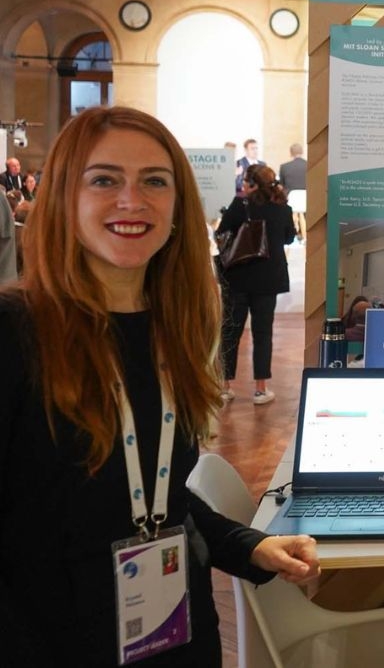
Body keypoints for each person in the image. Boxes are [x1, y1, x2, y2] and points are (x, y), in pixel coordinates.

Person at [0, 106, 319, 666]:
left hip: (178, 639)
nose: (132, 200)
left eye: (154, 181)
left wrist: (251, 545)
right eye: (104, 180)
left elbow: (157, 501)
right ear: (64, 199)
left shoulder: (175, 327)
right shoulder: (15, 330)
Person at [216, 163, 294, 405]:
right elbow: (289, 237)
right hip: (268, 280)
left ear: (250, 184)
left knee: (230, 332)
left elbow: (221, 233)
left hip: (238, 277)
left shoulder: (241, 205)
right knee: (263, 333)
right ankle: (261, 389)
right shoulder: (283, 209)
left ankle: (225, 386)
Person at [278, 143, 307, 243]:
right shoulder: (309, 165)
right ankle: (304, 237)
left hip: (292, 196)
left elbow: (282, 185)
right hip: (305, 196)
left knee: (293, 214)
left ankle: (293, 236)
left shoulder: (285, 167)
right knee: (302, 215)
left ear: (291, 153)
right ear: (302, 152)